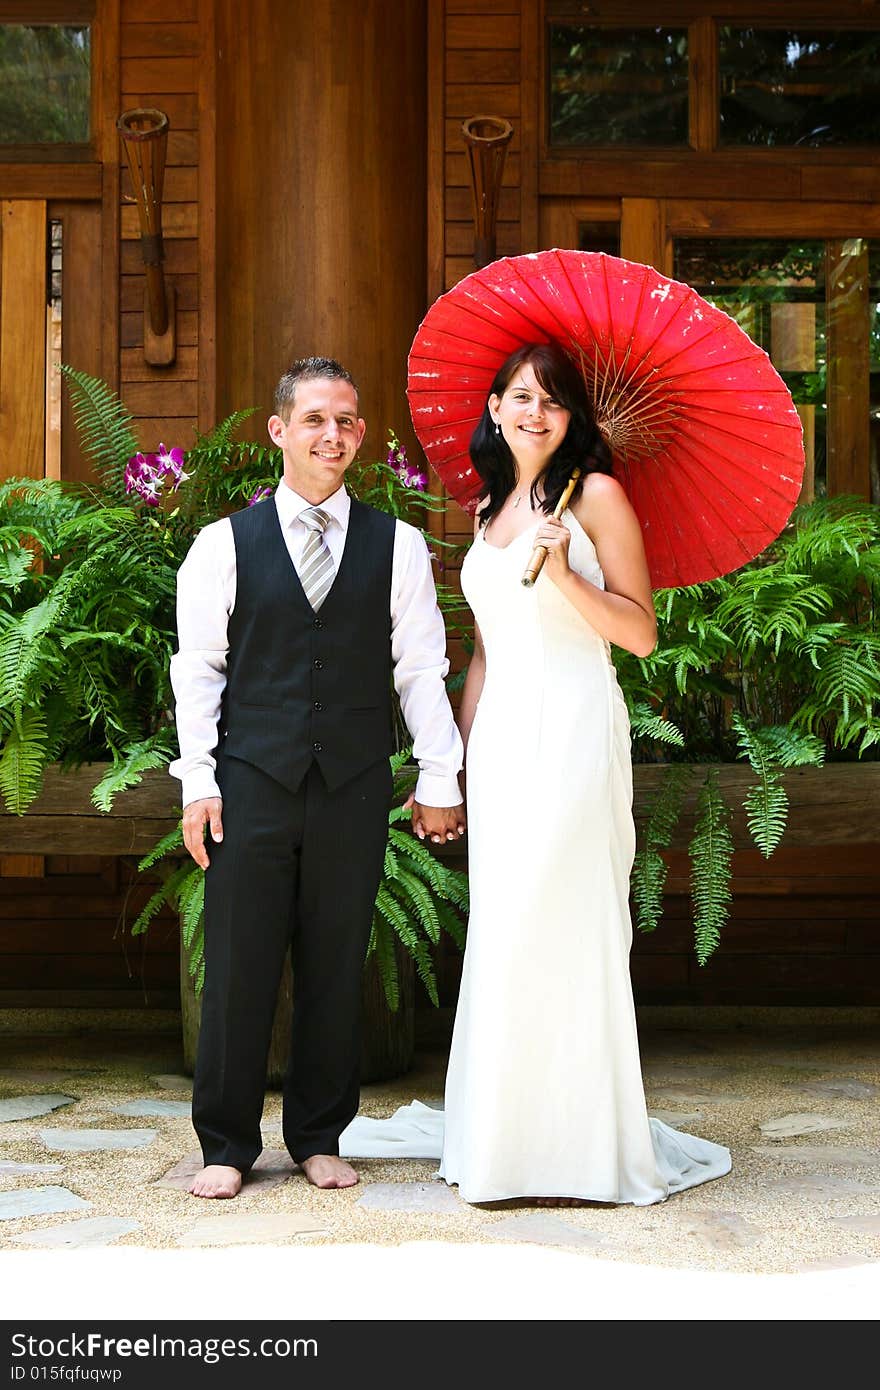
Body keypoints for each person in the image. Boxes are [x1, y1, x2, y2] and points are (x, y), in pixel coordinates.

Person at [433, 341, 731, 1204]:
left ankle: (579, 1148)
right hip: (500, 743)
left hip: (569, 728)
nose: (535, 413)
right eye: (521, 397)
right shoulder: (492, 507)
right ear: (495, 408)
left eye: (554, 402)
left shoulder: (596, 497)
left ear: (573, 420)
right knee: (504, 925)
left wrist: (564, 571)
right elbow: (485, 651)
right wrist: (454, 760)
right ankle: (502, 1141)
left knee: (560, 917)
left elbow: (639, 634)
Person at [169, 355, 465, 1199]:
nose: (331, 435)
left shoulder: (397, 545)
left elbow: (419, 670)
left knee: (339, 964)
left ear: (361, 434)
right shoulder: (221, 545)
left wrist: (440, 772)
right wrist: (198, 781)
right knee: (238, 965)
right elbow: (199, 671)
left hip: (352, 784)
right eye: (314, 420)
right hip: (250, 784)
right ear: (280, 431)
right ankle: (226, 1144)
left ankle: (317, 1135)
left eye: (345, 422)